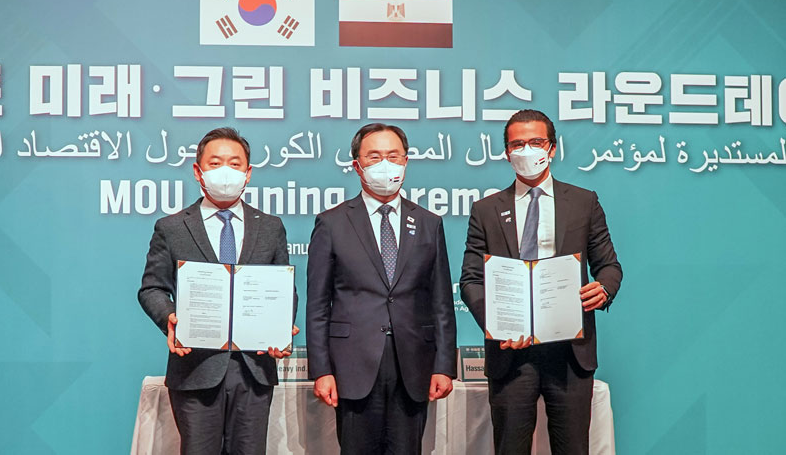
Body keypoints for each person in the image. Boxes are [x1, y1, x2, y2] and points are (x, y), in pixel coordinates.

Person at [460, 109, 622, 455]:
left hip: (569, 351)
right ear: (506, 153)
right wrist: (496, 324)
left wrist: (604, 288)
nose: (526, 150)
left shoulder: (583, 202)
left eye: (536, 142)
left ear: (552, 148)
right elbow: (472, 279)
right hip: (511, 351)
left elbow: (609, 266)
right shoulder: (486, 210)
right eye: (517, 144)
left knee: (572, 448)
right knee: (510, 448)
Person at [138, 127, 298, 455]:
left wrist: (282, 327)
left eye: (235, 163)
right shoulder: (171, 227)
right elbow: (152, 287)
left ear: (248, 173)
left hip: (254, 369)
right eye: (215, 163)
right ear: (198, 171)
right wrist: (169, 316)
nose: (225, 171)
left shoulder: (270, 227)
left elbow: (284, 289)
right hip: (195, 368)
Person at [306, 123, 457, 454]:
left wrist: (444, 365)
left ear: (406, 162)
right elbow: (318, 305)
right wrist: (321, 370)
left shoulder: (430, 223)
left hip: (413, 366)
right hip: (352, 366)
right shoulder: (332, 223)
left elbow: (442, 302)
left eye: (393, 155)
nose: (385, 164)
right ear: (357, 165)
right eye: (374, 156)